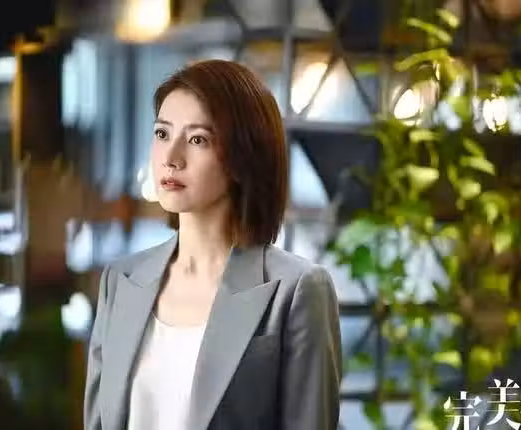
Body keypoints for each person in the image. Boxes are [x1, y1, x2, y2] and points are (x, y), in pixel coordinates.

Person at [83, 59, 342, 430]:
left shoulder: (297, 290)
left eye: (197, 140)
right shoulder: (121, 281)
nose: (171, 158)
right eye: (162, 134)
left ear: (242, 156)